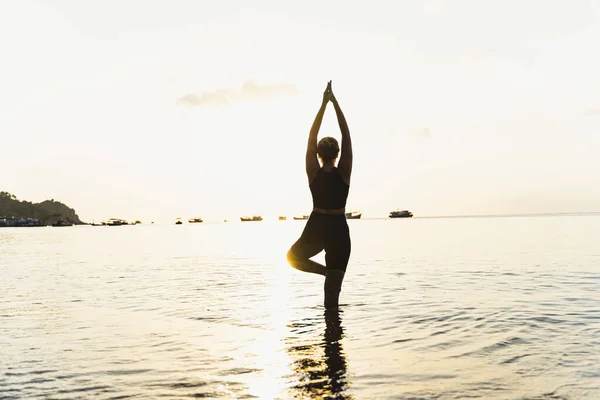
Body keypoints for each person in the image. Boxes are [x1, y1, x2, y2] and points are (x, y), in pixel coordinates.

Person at [287, 81, 353, 309]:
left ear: (318, 153)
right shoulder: (344, 172)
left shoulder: (313, 172)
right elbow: (346, 134)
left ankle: (326, 273)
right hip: (337, 227)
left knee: (292, 258)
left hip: (318, 224)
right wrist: (334, 103)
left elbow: (310, 136)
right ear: (337, 154)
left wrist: (323, 105)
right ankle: (333, 343)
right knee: (331, 301)